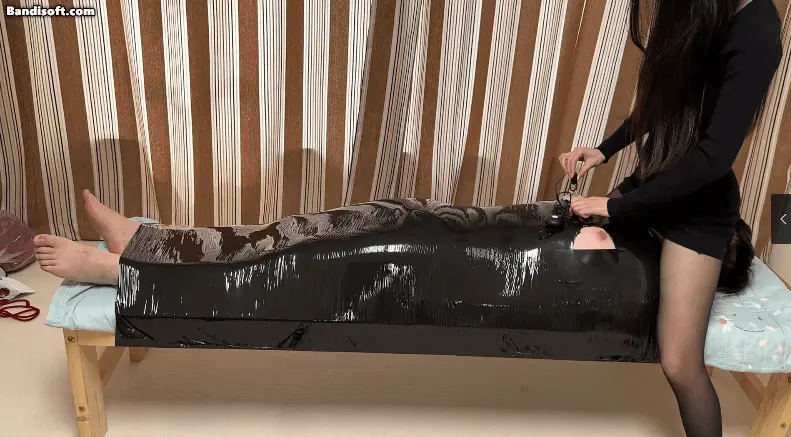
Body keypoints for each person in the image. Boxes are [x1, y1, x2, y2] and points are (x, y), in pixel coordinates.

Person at [558, 0, 782, 435]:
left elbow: (715, 156)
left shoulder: (757, 28)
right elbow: (668, 102)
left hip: (698, 204)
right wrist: (604, 150)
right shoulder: (705, 14)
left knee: (679, 363)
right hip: (656, 179)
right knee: (582, 237)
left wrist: (614, 206)